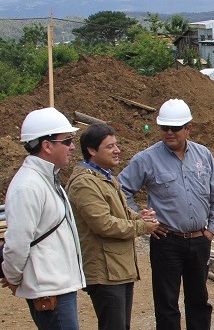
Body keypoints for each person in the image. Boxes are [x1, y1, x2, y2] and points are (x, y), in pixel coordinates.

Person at [118, 99, 214, 330]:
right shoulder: (145, 159)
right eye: (164, 128)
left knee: (198, 299)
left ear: (188, 128)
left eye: (175, 128)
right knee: (167, 302)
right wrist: (140, 218)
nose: (169, 133)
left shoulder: (203, 155)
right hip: (166, 241)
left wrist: (210, 230)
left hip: (199, 240)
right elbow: (120, 190)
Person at [66, 123, 161, 330]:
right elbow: (104, 224)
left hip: (118, 269)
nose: (117, 150)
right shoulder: (85, 183)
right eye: (109, 146)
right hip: (105, 272)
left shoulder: (106, 177)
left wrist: (138, 216)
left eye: (116, 145)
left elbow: (121, 212)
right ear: (92, 150)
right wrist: (141, 227)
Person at [1, 107, 85, 329]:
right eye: (67, 140)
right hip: (49, 291)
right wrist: (12, 277)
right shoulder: (28, 185)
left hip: (57, 286)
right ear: (47, 145)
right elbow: (17, 244)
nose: (72, 146)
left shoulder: (45, 178)